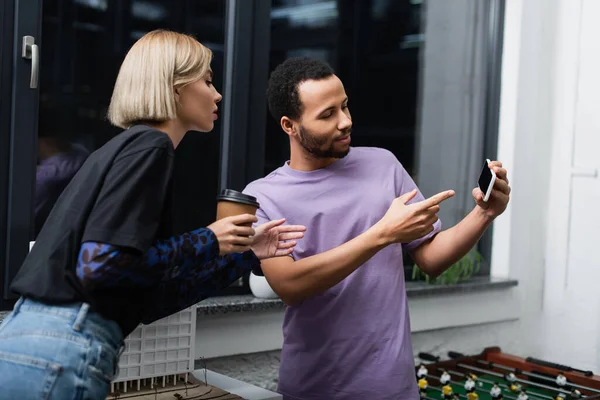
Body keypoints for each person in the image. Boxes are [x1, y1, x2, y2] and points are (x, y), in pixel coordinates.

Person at [0, 30, 305, 399]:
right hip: (64, 343)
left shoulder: (123, 151)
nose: (217, 93)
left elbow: (152, 299)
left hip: (33, 341)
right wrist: (209, 238)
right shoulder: (151, 147)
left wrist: (244, 254)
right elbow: (99, 265)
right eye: (207, 80)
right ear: (174, 87)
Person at [243, 57, 511, 400]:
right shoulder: (264, 196)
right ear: (289, 125)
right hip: (313, 389)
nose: (345, 122)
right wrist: (382, 234)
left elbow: (430, 258)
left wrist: (484, 214)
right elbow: (290, 286)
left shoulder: (382, 164)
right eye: (327, 115)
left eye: (344, 106)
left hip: (393, 388)